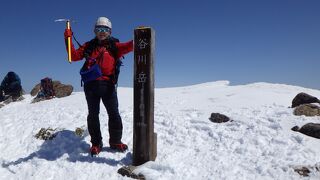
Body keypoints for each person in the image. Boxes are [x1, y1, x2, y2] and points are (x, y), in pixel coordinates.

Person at [64, 17, 133, 155]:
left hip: (108, 86)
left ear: (110, 31)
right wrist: (68, 38)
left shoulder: (115, 46)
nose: (102, 32)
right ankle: (96, 143)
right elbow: (73, 56)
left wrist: (141, 37)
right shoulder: (89, 46)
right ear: (95, 31)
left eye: (105, 29)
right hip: (91, 87)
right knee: (93, 115)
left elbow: (130, 46)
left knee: (114, 114)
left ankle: (115, 141)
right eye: (99, 29)